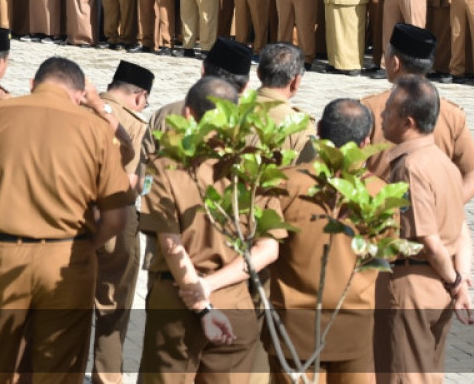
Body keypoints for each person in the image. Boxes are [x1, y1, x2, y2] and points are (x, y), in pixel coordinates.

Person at [0, 57, 132, 381]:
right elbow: (116, 217)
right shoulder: (94, 128)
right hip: (68, 258)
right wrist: (87, 245)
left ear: (33, 83)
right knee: (59, 368)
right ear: (79, 94)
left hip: (3, 254)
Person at [139, 76, 282, 380]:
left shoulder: (164, 167)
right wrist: (212, 285)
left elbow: (171, 246)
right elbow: (269, 249)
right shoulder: (255, 170)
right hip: (234, 299)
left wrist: (201, 302)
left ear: (188, 114)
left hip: (177, 300)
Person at [268, 98, 382, 382]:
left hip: (294, 329)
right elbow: (386, 254)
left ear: (318, 131)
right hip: (353, 330)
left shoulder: (284, 184)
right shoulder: (379, 193)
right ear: (366, 142)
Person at [376, 75, 474, 382]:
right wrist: (459, 281)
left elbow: (428, 240)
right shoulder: (444, 163)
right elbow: (462, 230)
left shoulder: (411, 167)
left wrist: (456, 281)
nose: (382, 116)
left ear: (408, 122)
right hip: (439, 288)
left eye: (388, 111)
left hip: (414, 286)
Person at [362, 24, 474, 203]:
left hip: (382, 214)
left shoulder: (370, 108)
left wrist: (384, 205)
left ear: (395, 63)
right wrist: (444, 209)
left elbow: (349, 167)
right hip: (431, 214)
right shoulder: (453, 114)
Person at [92, 61, 153, 384]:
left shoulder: (82, 109)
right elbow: (140, 183)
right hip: (117, 218)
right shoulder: (137, 125)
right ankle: (107, 376)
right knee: (113, 307)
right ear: (139, 96)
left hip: (72, 214)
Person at [255, 42, 318, 160]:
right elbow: (308, 168)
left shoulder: (230, 108)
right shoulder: (300, 126)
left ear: (258, 73)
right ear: (296, 81)